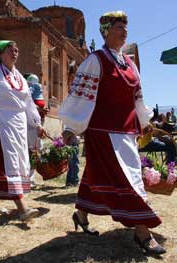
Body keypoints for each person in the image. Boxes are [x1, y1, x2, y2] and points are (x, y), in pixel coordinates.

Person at [59, 11, 166, 254]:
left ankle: (81, 214)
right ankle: (142, 233)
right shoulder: (95, 60)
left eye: (125, 27)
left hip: (126, 131)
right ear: (106, 31)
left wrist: (144, 120)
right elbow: (80, 97)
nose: (124, 31)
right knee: (128, 178)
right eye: (119, 27)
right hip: (103, 131)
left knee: (99, 175)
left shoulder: (129, 64)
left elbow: (137, 97)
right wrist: (70, 128)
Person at [0, 40, 47, 222]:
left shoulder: (19, 77)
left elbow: (28, 102)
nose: (15, 52)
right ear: (0, 53)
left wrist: (37, 123)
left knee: (15, 162)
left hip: (18, 125)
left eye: (17, 50)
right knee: (8, 163)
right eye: (10, 50)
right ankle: (22, 209)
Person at [26, 74, 47, 187]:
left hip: (37, 125)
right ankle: (28, 178)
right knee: (32, 150)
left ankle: (31, 177)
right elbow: (28, 106)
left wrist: (42, 110)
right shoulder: (29, 93)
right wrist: (37, 109)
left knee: (36, 150)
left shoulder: (37, 90)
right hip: (31, 126)